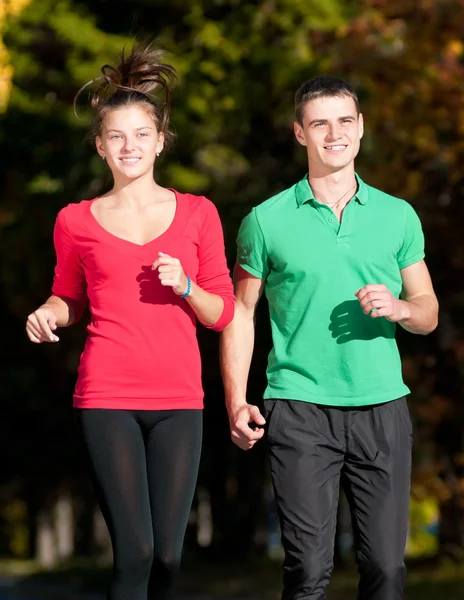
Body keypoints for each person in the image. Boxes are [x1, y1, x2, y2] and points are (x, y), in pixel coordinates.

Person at [25, 44, 234, 600]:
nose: (129, 146)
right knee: (135, 553)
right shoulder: (75, 221)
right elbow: (67, 297)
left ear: (160, 141)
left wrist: (186, 286)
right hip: (107, 395)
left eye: (141, 134)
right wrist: (47, 313)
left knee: (167, 556)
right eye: (116, 136)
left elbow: (221, 313)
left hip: (179, 399)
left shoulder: (198, 213)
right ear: (100, 146)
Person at [220, 76, 438, 600]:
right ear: (300, 133)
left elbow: (428, 312)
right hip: (298, 408)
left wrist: (401, 308)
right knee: (307, 572)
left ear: (361, 129)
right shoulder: (265, 221)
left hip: (382, 406)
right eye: (319, 123)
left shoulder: (398, 215)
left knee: (386, 569)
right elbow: (240, 314)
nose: (333, 134)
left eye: (345, 121)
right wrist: (235, 402)